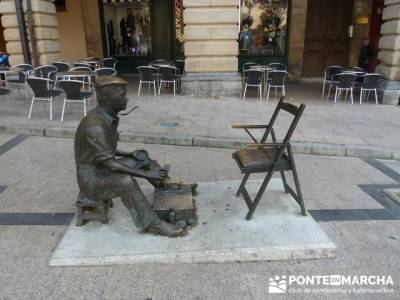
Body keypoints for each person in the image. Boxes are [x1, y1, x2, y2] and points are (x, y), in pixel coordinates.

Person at [74, 76, 195, 237]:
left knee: (142, 158)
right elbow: (111, 164)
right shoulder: (95, 126)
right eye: (122, 95)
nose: (126, 99)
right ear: (107, 99)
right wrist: (146, 174)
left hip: (103, 168)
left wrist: (129, 154)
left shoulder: (108, 118)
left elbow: (105, 151)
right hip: (92, 180)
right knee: (126, 182)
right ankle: (154, 224)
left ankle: (168, 186)